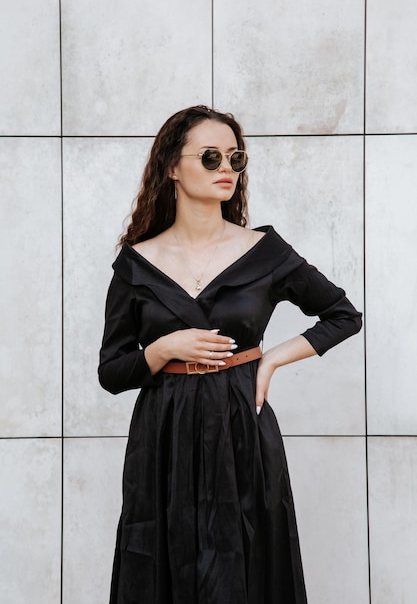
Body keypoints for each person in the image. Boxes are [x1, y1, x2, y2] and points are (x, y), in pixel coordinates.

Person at [98, 105, 362, 604]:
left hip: (243, 419)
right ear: (172, 167)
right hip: (164, 432)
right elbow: (112, 372)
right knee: (160, 557)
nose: (227, 169)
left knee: (250, 553)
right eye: (211, 157)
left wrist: (273, 358)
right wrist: (161, 349)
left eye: (235, 158)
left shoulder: (265, 251)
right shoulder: (136, 264)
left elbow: (343, 315)